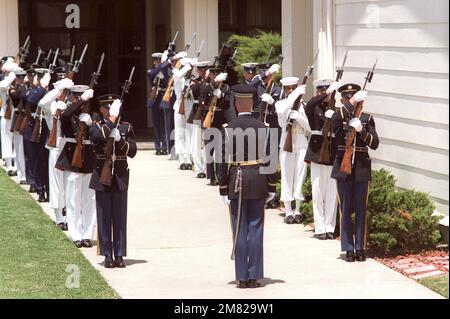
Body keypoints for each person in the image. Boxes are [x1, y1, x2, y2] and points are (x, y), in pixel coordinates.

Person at [218, 84, 277, 289]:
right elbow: (270, 159)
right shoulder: (264, 128)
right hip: (259, 179)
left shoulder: (228, 128)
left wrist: (223, 188)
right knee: (256, 228)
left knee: (239, 228)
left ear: (236, 103)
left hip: (238, 179)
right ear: (252, 103)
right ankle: (254, 276)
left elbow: (221, 161)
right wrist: (272, 186)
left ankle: (241, 277)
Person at [330, 84, 379, 262]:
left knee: (360, 209)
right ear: (343, 100)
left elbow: (374, 143)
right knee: (345, 208)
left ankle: (360, 247)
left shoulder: (366, 118)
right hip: (343, 169)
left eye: (353, 98)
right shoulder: (338, 117)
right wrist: (351, 104)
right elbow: (334, 123)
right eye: (346, 98)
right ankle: (348, 248)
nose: (349, 101)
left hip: (361, 169)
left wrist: (362, 130)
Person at [89, 95, 137, 269]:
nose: (111, 112)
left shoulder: (126, 127)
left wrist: (121, 140)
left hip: (120, 175)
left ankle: (119, 253)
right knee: (104, 217)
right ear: (102, 109)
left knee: (119, 217)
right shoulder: (96, 126)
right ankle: (107, 254)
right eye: (108, 109)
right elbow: (97, 137)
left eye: (114, 109)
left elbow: (132, 151)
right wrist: (111, 121)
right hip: (102, 174)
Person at [55, 85, 97, 248]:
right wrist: (81, 100)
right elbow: (65, 115)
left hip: (89, 160)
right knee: (73, 200)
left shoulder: (93, 115)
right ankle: (75, 234)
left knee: (89, 199)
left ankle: (87, 234)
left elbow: (98, 135)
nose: (78, 100)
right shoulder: (68, 113)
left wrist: (91, 123)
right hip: (72, 160)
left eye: (82, 97)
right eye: (76, 98)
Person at [304, 79, 341, 240]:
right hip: (317, 151)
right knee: (318, 191)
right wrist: (327, 93)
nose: (325, 94)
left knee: (331, 192)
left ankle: (330, 227)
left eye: (328, 91)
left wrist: (334, 117)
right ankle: (320, 228)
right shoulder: (314, 108)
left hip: (332, 153)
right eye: (322, 91)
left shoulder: (335, 109)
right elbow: (310, 104)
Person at [40, 74, 74, 230]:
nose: (65, 92)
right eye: (64, 89)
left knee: (68, 183)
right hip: (55, 147)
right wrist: (57, 90)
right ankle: (59, 217)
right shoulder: (51, 106)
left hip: (68, 147)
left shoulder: (70, 105)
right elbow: (42, 102)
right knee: (56, 184)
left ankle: (68, 216)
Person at [275, 77, 310, 224]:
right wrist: (295, 95)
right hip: (286, 146)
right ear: (284, 89)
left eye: (293, 88)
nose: (290, 91)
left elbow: (309, 128)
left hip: (301, 144)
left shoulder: (303, 105)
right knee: (287, 177)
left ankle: (298, 210)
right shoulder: (280, 104)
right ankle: (288, 210)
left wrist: (300, 118)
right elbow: (283, 112)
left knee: (300, 177)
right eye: (288, 89)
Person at [202, 66, 229, 186]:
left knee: (219, 150)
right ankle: (211, 176)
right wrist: (213, 89)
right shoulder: (208, 86)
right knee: (209, 149)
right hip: (210, 120)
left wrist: (221, 95)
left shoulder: (226, 87)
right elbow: (203, 99)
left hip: (220, 120)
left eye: (217, 74)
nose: (215, 75)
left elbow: (227, 102)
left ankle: (219, 175)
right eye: (214, 74)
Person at [147, 53, 169, 156]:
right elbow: (152, 74)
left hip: (163, 97)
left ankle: (165, 147)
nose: (157, 62)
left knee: (164, 124)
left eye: (159, 60)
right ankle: (158, 147)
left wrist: (165, 65)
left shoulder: (165, 71)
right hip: (155, 99)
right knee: (156, 124)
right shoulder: (151, 71)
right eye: (156, 60)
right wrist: (164, 64)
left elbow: (166, 79)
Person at [0, 58, 18, 176]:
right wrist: (12, 75)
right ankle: (9, 164)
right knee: (6, 140)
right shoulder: (4, 82)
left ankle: (16, 165)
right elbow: (4, 85)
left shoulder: (18, 82)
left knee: (16, 141)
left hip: (16, 114)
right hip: (6, 113)